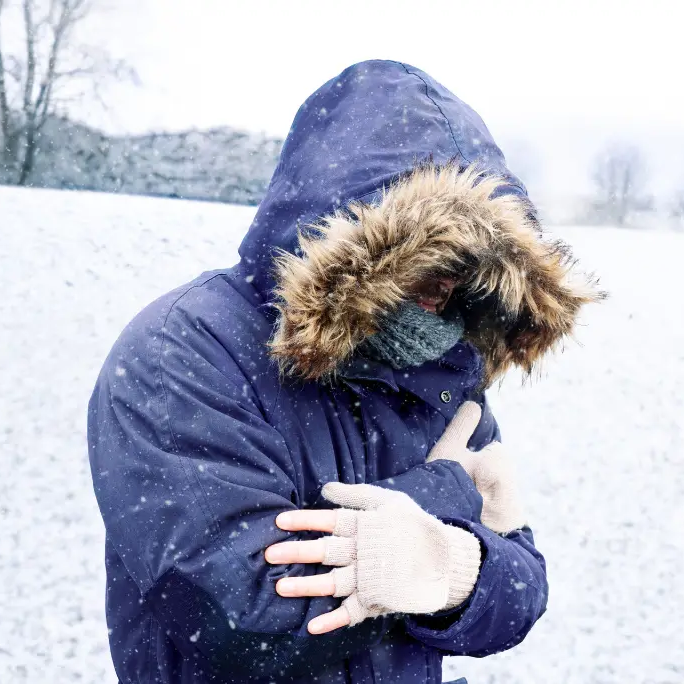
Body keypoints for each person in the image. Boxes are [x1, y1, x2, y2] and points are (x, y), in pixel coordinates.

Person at [86, 60, 601, 683]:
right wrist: (444, 497)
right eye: (430, 255)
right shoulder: (185, 351)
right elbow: (243, 619)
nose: (448, 283)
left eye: (471, 264)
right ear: (360, 244)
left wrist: (446, 568)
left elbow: (522, 593)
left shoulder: (443, 366)